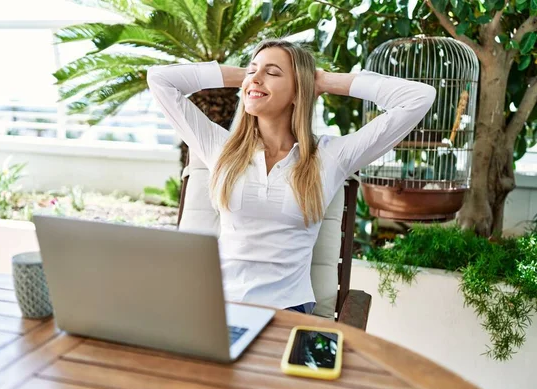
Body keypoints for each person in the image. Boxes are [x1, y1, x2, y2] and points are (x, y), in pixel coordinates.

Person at [146, 38, 436, 314]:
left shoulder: (329, 157)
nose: (257, 78)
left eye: (273, 72)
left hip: (287, 310)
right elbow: (159, 80)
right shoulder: (221, 148)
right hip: (215, 304)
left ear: (298, 92)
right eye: (253, 70)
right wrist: (247, 78)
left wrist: (320, 80)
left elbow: (419, 97)